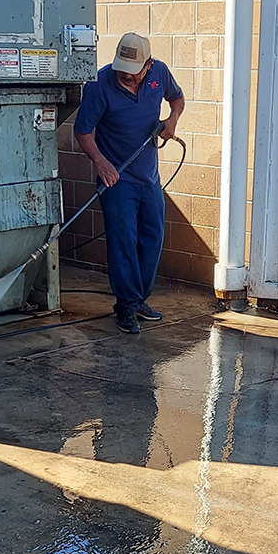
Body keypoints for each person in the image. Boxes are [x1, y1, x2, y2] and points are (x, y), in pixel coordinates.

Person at [73, 32, 185, 334]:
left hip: (148, 176)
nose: (125, 76)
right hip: (117, 179)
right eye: (121, 71)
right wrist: (101, 162)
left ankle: (139, 300)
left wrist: (172, 120)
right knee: (123, 241)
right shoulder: (99, 85)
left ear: (148, 65)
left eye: (132, 73)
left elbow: (177, 98)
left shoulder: (159, 73)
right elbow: (82, 131)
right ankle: (125, 305)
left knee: (152, 237)